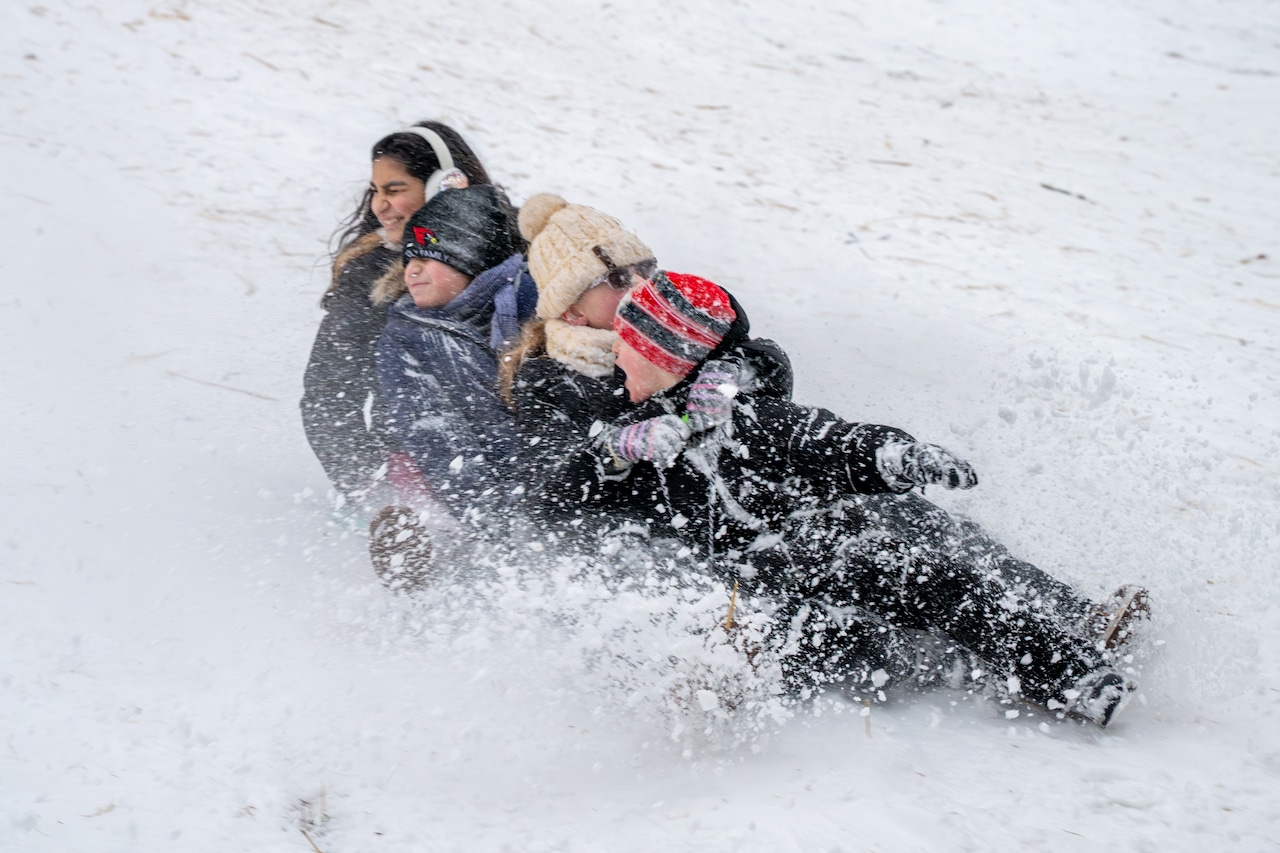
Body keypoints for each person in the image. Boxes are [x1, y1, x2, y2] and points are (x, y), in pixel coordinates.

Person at [530, 270, 1143, 727]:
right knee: (870, 635)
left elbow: (824, 439)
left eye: (631, 347)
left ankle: (1074, 655)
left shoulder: (734, 415)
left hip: (817, 544)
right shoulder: (626, 419)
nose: (618, 355)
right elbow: (552, 502)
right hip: (755, 597)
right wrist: (616, 453)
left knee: (934, 566)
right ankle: (978, 669)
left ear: (671, 357)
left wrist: (896, 456)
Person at [301, 121, 521, 508]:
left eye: (394, 189)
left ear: (446, 185)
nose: (379, 205)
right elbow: (328, 393)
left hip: (521, 452)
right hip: (423, 467)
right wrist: (373, 491)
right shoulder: (370, 275)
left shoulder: (519, 245)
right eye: (376, 191)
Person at [373, 184, 536, 535]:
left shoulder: (531, 308)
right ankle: (418, 538)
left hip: (533, 480)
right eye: (409, 259)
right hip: (454, 489)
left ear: (472, 259)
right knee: (425, 500)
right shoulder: (409, 336)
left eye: (428, 257)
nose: (412, 270)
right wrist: (499, 527)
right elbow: (435, 435)